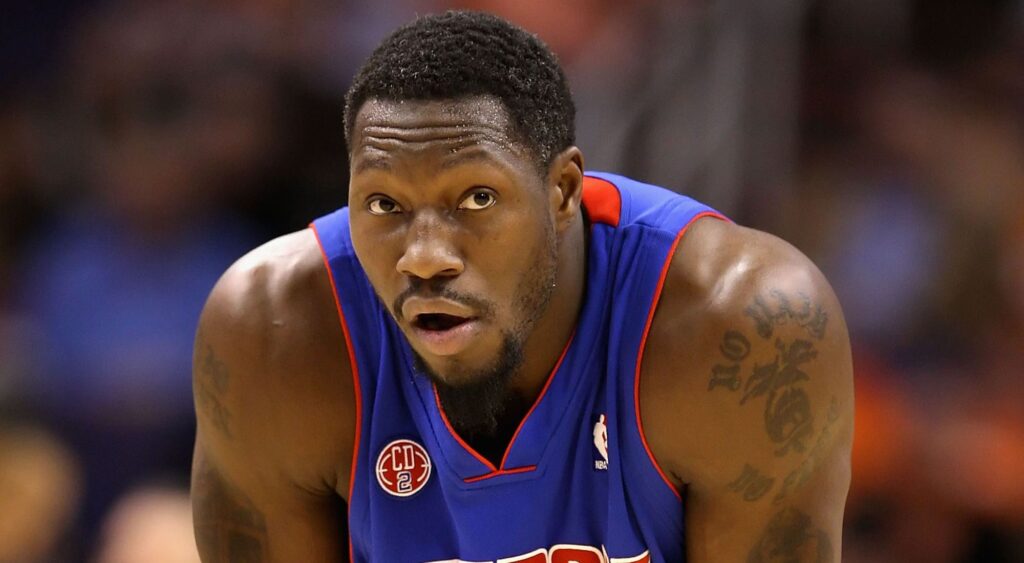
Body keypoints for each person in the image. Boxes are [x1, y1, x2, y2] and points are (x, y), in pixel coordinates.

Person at [190, 11, 853, 562]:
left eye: (476, 198)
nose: (424, 257)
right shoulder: (272, 334)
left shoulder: (739, 328)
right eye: (385, 205)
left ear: (561, 191)